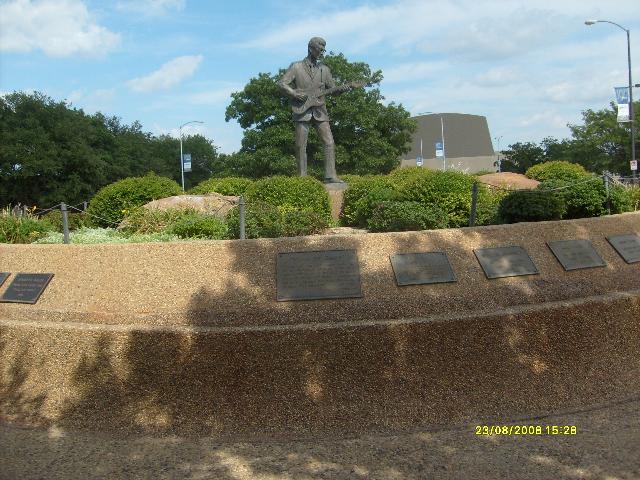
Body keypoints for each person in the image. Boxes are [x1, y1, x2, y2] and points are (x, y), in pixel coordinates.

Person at [278, 37, 350, 183]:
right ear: (311, 48)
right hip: (302, 110)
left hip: (320, 110)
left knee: (329, 142)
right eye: (320, 49)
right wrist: (294, 93)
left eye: (324, 49)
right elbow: (281, 83)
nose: (323, 52)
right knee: (300, 145)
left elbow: (333, 89)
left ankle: (330, 176)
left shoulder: (325, 69)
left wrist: (342, 89)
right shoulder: (296, 66)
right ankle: (302, 177)